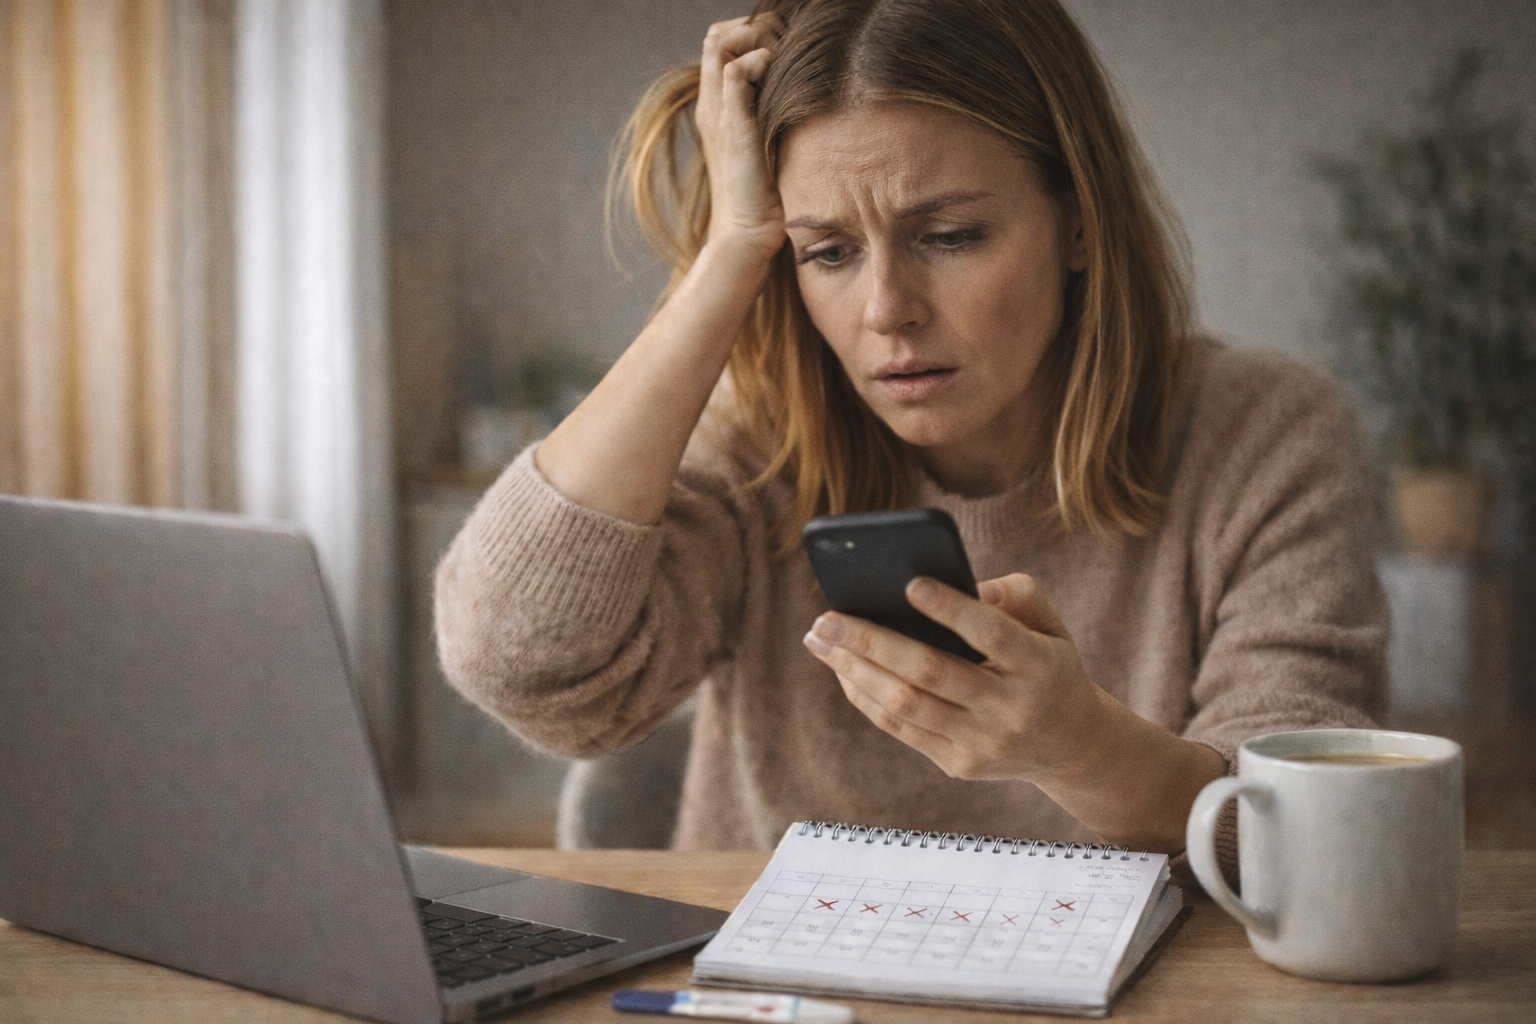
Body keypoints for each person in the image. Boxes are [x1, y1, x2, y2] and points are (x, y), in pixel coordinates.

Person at [433, 0, 1384, 873]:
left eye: (953, 236)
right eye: (828, 252)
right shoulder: (757, 446)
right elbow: (521, 667)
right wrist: (727, 255)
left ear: (1079, 221)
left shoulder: (1266, 437)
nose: (887, 310)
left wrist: (1084, 750)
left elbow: (1303, 836)